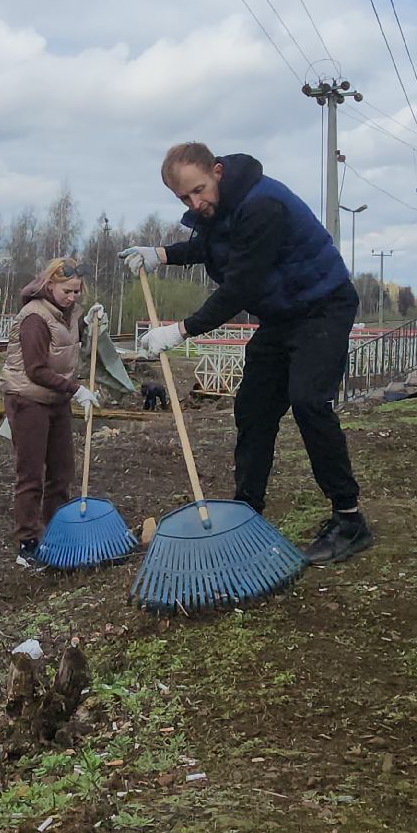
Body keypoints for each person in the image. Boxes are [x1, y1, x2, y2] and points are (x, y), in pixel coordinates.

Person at [121, 143, 372, 565]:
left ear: (217, 171)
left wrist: (181, 331)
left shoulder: (263, 205)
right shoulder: (220, 207)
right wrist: (161, 255)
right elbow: (210, 247)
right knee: (254, 407)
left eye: (198, 190)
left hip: (322, 306)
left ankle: (350, 520)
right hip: (281, 314)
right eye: (184, 199)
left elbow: (239, 288)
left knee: (310, 401)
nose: (195, 203)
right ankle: (246, 513)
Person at [0, 258, 101, 566]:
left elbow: (70, 343)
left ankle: (58, 534)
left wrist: (91, 323)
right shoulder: (34, 317)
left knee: (62, 470)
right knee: (31, 474)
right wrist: (76, 389)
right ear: (50, 285)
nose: (73, 297)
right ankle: (27, 542)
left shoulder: (69, 313)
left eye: (77, 292)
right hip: (27, 398)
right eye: (68, 291)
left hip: (56, 399)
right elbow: (36, 370)